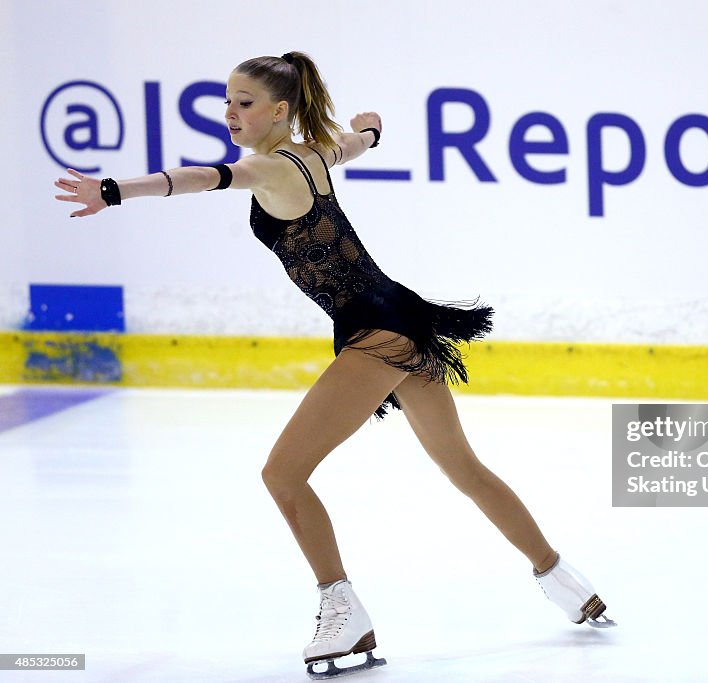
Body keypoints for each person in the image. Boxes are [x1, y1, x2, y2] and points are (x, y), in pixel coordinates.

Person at [54, 51, 613, 677]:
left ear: (279, 110)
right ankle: (567, 582)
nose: (231, 113)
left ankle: (342, 613)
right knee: (463, 467)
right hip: (404, 317)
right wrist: (371, 132)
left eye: (244, 102)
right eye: (228, 101)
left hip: (380, 333)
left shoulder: (266, 167)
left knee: (283, 475)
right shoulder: (315, 153)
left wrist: (113, 190)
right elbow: (350, 145)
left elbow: (198, 178)